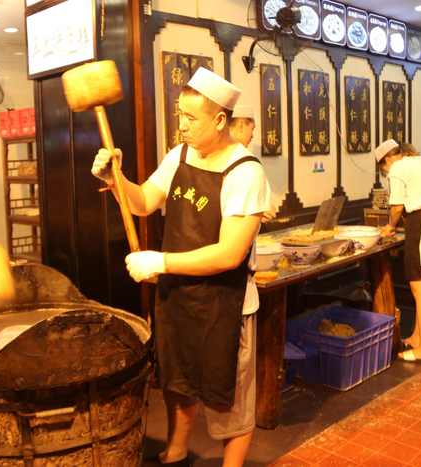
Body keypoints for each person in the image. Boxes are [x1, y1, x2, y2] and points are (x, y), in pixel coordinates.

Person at [92, 68, 271, 467]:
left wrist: (161, 261)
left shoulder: (246, 172)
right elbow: (142, 202)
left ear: (220, 120)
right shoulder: (179, 156)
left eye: (191, 117)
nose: (182, 125)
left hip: (225, 305)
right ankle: (175, 451)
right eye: (180, 115)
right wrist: (116, 179)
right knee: (178, 379)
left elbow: (229, 254)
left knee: (228, 396)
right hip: (179, 297)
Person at [377, 139, 421, 362]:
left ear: (387, 159)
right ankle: (418, 338)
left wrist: (390, 226)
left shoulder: (398, 166)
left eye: (384, 169)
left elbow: (397, 206)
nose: (387, 173)